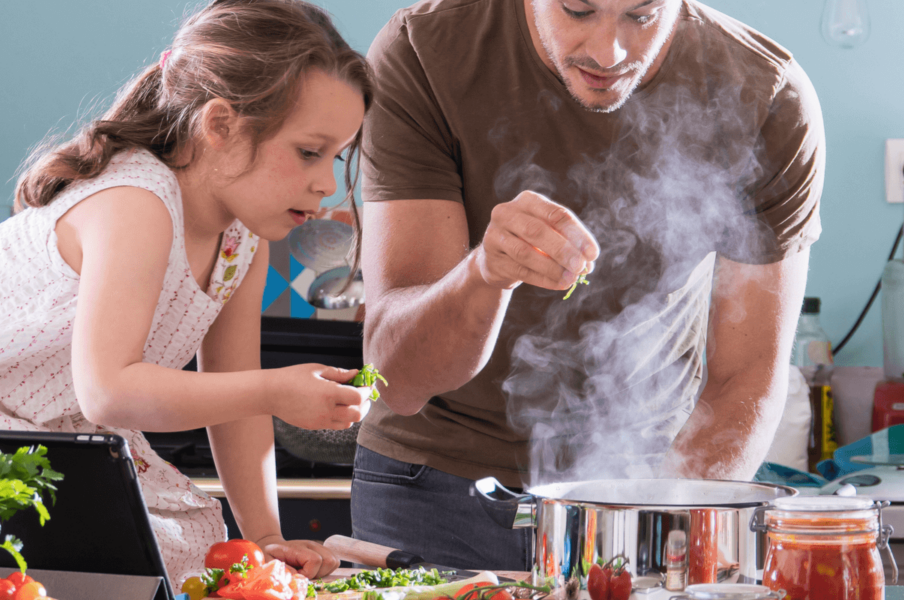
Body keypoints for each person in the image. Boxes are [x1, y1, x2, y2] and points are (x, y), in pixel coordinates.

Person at [0, 0, 372, 586]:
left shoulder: (242, 241)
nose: (326, 183)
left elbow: (237, 404)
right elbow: (108, 392)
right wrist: (276, 390)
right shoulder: (136, 202)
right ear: (220, 125)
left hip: (35, 441)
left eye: (339, 156)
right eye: (310, 151)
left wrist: (265, 539)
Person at [353, 0, 824, 570]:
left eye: (642, 15)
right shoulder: (425, 50)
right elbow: (398, 381)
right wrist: (485, 274)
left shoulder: (767, 95)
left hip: (647, 489)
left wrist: (663, 526)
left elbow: (745, 378)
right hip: (430, 484)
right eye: (578, 10)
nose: (610, 51)